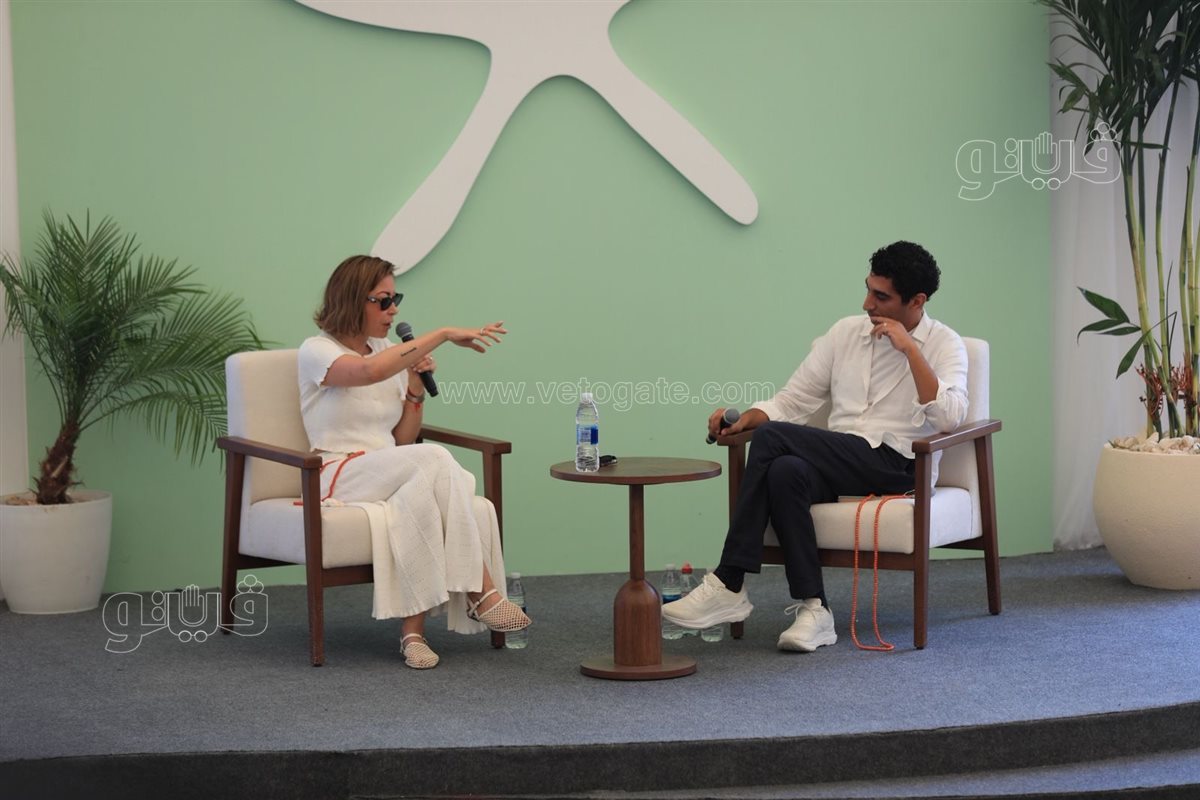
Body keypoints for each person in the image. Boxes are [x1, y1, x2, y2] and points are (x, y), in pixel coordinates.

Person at [662, 241, 968, 652]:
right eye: (868, 289)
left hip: (898, 465)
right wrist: (746, 419)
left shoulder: (946, 344)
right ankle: (816, 609)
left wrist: (911, 350)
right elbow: (793, 401)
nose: (867, 303)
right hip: (842, 460)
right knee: (784, 471)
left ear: (917, 301)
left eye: (881, 297)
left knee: (774, 440)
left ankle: (730, 580)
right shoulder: (844, 334)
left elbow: (950, 417)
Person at [297, 254, 530, 669]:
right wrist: (441, 334)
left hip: (388, 468)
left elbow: (402, 440)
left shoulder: (390, 352)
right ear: (353, 300)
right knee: (437, 460)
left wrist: (415, 388)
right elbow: (366, 373)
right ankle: (481, 591)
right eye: (384, 300)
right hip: (337, 473)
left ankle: (413, 635)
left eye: (396, 299)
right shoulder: (317, 351)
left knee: (420, 489)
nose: (394, 310)